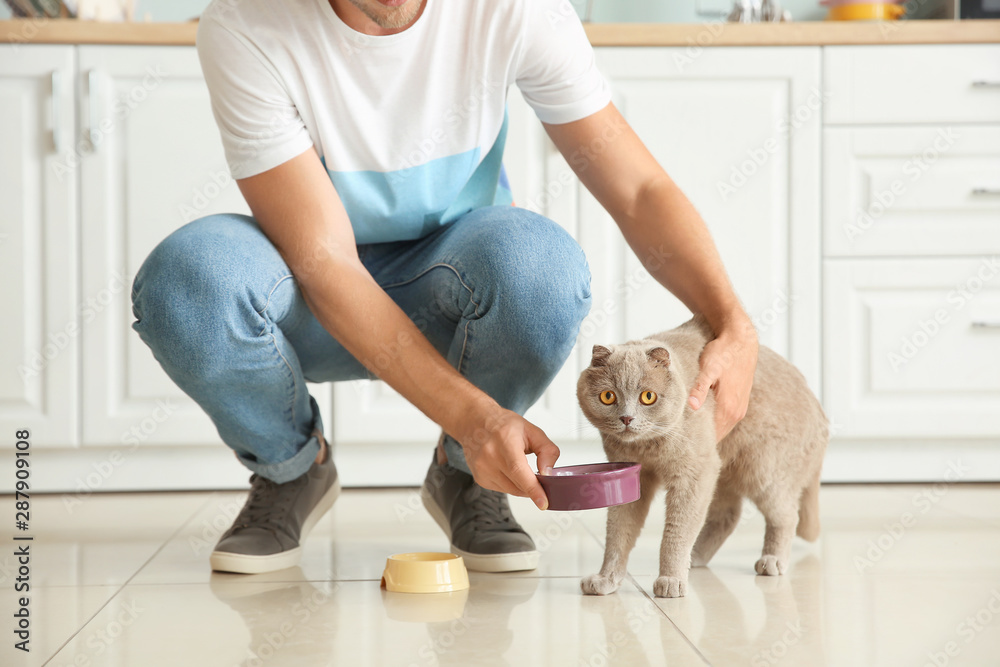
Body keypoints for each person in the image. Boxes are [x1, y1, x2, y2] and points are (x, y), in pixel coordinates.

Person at [131, 0, 759, 575]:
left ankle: (465, 478)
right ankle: (291, 470)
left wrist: (730, 319)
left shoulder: (516, 8)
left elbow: (638, 189)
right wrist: (478, 419)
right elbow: (325, 263)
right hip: (310, 292)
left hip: (455, 292)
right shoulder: (245, 23)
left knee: (542, 269)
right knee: (186, 281)